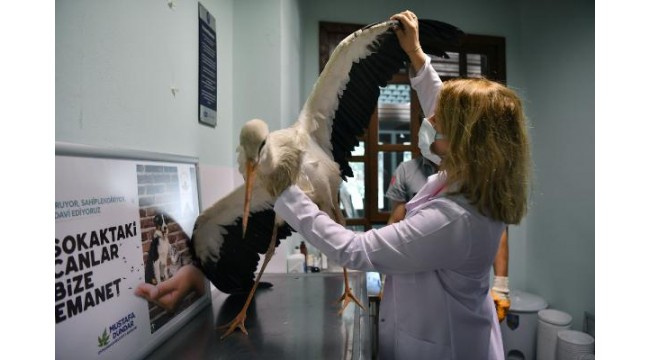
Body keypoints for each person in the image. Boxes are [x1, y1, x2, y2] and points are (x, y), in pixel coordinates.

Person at [267, 10, 531, 359]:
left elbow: (353, 250)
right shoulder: (473, 177)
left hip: (444, 348)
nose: (432, 118)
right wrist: (417, 57)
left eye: (444, 120)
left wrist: (284, 190)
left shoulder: (453, 219)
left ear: (465, 140)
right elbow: (444, 106)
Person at [386, 118, 511, 322]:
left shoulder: (477, 173)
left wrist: (501, 285)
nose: (431, 131)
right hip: (419, 272)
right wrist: (388, 275)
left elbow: (496, 228)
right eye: (429, 126)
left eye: (438, 127)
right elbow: (396, 221)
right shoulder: (407, 171)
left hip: (462, 277)